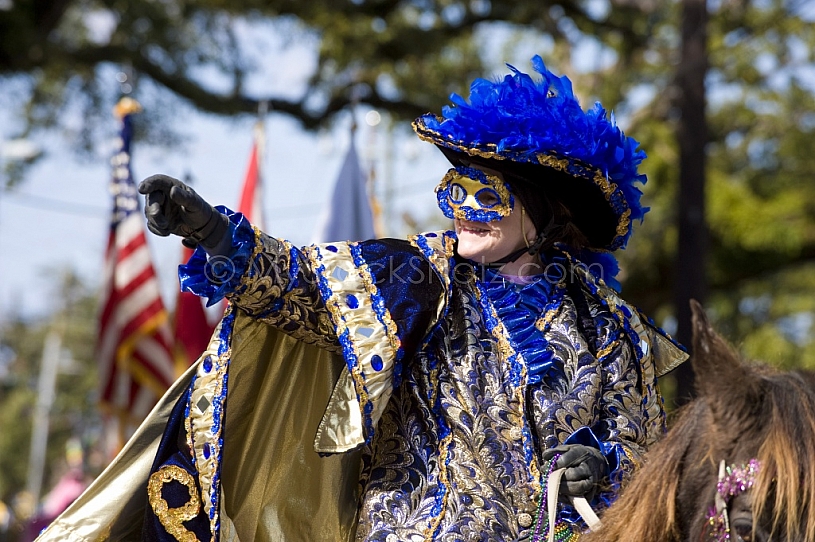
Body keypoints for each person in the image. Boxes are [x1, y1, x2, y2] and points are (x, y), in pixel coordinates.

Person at [37, 57, 686, 542]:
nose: (463, 211)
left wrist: (600, 464)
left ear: (543, 215)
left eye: (486, 197)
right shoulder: (417, 278)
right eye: (452, 191)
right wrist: (210, 232)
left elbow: (643, 449)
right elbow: (301, 285)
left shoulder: (610, 327)